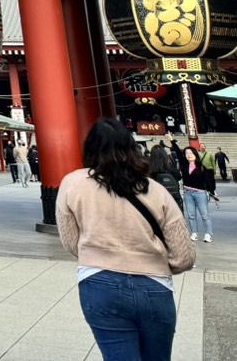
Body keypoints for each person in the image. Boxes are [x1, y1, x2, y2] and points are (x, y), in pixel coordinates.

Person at [57, 119, 194, 361]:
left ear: (89, 149)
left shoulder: (72, 184)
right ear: (132, 148)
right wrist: (155, 263)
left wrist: (97, 254)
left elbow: (70, 242)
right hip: (154, 285)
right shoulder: (155, 190)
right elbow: (184, 256)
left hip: (98, 281)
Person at [179, 144, 214, 243]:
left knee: (204, 215)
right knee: (191, 215)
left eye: (190, 153)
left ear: (195, 154)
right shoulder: (184, 165)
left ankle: (208, 234)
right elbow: (178, 153)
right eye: (186, 153)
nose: (188, 155)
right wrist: (172, 141)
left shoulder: (201, 167)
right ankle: (194, 233)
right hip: (187, 193)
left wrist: (212, 191)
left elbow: (209, 181)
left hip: (200, 194)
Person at [148, 143, 183, 208]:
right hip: (174, 200)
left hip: (157, 201)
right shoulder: (171, 169)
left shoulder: (149, 171)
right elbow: (179, 177)